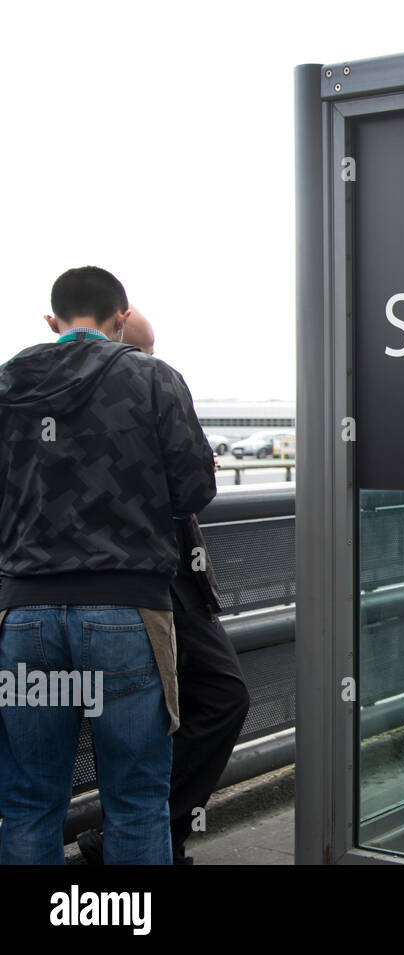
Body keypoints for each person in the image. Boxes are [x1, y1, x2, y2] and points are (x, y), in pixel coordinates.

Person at [0, 267, 215, 864]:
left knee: (27, 799)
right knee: (136, 799)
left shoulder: (8, 381)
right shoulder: (152, 379)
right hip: (125, 613)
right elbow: (194, 488)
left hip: (25, 617)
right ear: (121, 319)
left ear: (53, 321)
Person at [75, 305, 250, 866]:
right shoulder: (124, 397)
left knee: (192, 708)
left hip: (166, 581)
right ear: (116, 329)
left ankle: (149, 838)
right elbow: (194, 486)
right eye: (140, 348)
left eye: (150, 353)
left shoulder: (136, 392)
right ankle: (143, 841)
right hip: (148, 586)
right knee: (199, 704)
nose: (146, 362)